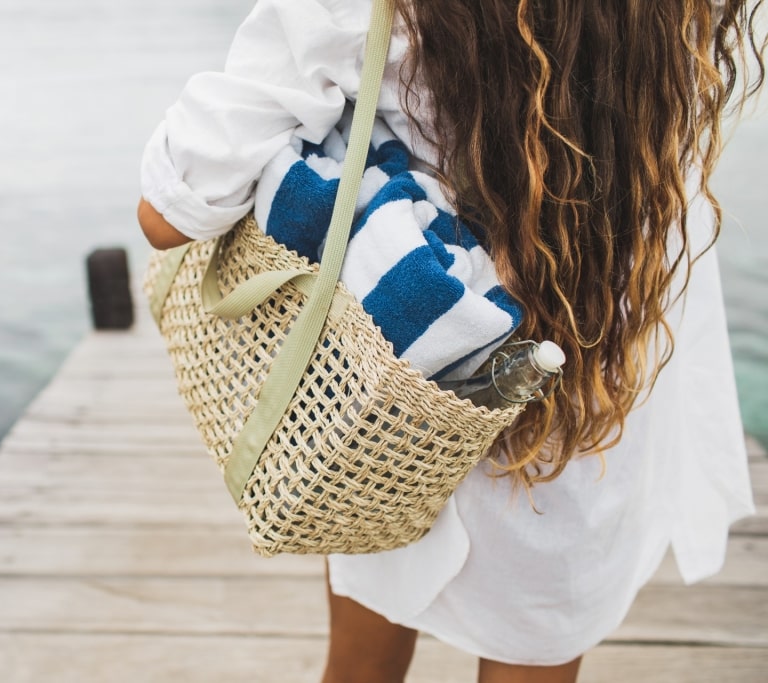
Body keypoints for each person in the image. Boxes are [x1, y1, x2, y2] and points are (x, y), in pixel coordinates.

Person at [137, 1, 766, 681]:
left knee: (360, 662)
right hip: (585, 392)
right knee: (536, 648)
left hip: (395, 395)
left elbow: (169, 211)